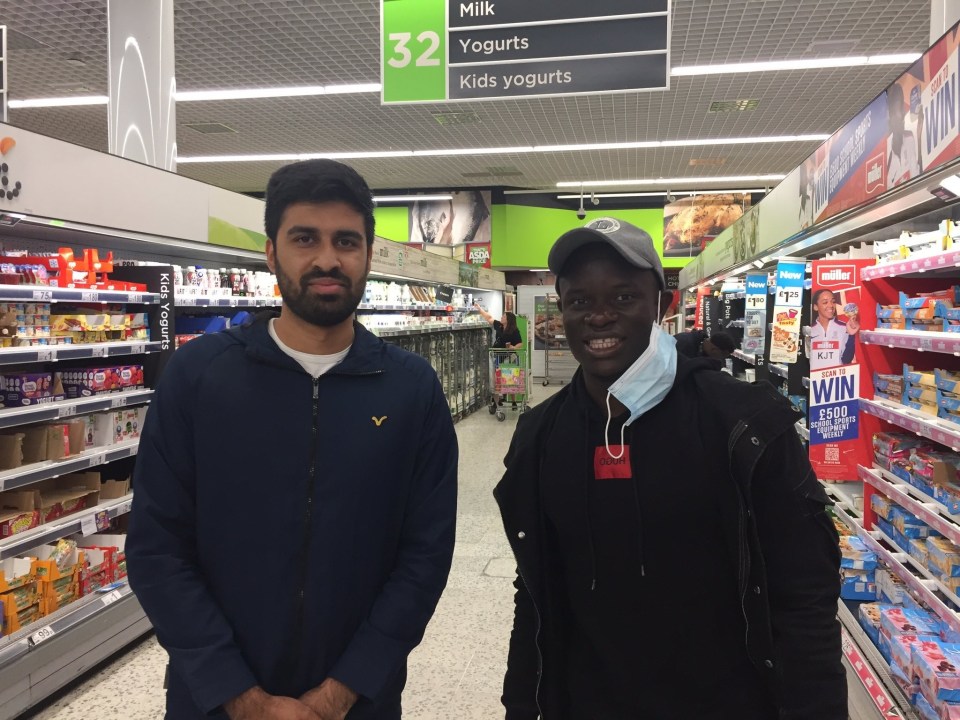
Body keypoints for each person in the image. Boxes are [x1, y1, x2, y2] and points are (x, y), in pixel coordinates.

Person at [127, 159, 458, 720]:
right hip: (213, 700)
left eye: (346, 241)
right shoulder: (198, 377)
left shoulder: (411, 389)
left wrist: (341, 692)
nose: (327, 259)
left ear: (368, 256)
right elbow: (157, 548)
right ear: (271, 252)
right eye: (305, 238)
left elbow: (424, 557)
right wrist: (240, 696)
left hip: (359, 703)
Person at [494, 217, 844, 719]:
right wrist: (521, 704)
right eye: (579, 302)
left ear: (664, 304)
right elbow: (534, 591)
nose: (598, 317)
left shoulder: (745, 426)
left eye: (622, 298)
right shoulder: (541, 437)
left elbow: (805, 597)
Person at [809, 288, 859, 371]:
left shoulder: (844, 327)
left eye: (833, 301)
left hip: (837, 379)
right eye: (825, 302)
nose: (831, 305)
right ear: (815, 307)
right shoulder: (810, 330)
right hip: (815, 381)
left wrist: (851, 335)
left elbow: (846, 360)